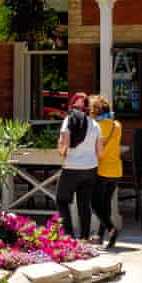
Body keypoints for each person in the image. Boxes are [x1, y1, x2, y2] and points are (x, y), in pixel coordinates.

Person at [57, 91, 103, 239]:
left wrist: (63, 152)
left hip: (71, 167)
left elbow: (63, 144)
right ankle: (84, 238)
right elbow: (100, 151)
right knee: (84, 205)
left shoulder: (68, 120)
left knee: (62, 201)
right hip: (90, 169)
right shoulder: (95, 124)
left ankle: (69, 236)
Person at [89, 93, 121, 248]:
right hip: (115, 170)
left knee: (95, 204)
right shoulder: (117, 125)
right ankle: (100, 236)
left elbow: (94, 149)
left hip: (101, 169)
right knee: (105, 203)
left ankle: (111, 228)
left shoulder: (96, 127)